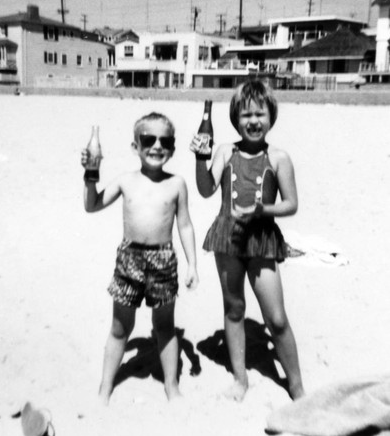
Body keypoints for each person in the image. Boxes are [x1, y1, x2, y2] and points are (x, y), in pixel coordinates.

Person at [190, 80, 304, 402]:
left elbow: (291, 203)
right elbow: (205, 189)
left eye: (260, 114)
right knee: (234, 308)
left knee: (277, 318)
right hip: (227, 237)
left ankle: (295, 385)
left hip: (262, 238)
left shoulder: (279, 157)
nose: (253, 121)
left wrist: (262, 210)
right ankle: (240, 380)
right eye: (245, 116)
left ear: (271, 116)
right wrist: (201, 158)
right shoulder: (225, 150)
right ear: (235, 119)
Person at [81, 112, 199, 405]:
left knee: (165, 327)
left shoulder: (177, 184)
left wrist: (193, 264)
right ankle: (105, 388)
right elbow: (91, 205)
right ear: (135, 146)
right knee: (121, 327)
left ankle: (171, 387)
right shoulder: (125, 181)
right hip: (129, 257)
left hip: (163, 260)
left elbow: (184, 225)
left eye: (165, 141)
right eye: (148, 140)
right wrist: (89, 174)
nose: (156, 146)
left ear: (172, 148)